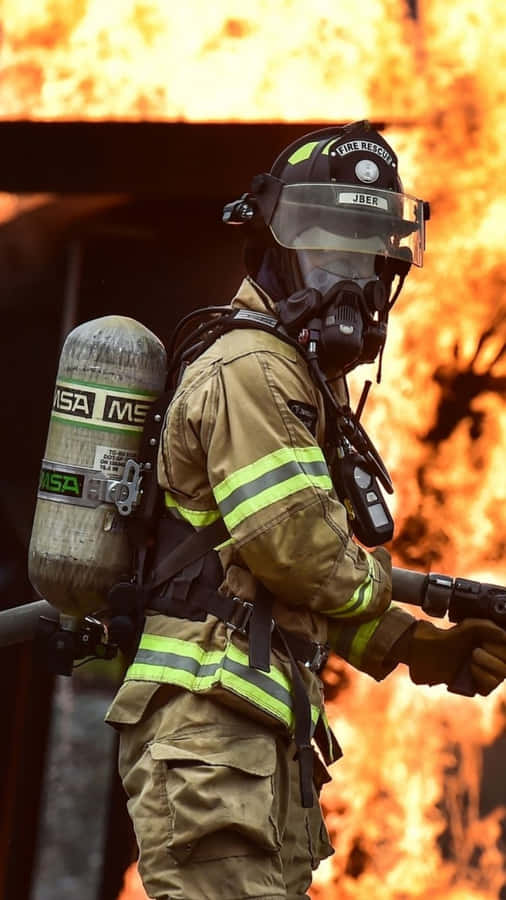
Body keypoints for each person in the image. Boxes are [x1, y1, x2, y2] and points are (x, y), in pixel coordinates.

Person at [105, 121, 506, 900]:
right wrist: (409, 596)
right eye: (326, 244)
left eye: (365, 250)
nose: (349, 276)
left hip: (247, 744)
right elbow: (301, 551)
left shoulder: (291, 376)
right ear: (275, 248)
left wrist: (417, 648)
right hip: (210, 739)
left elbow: (280, 584)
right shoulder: (252, 367)